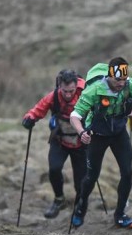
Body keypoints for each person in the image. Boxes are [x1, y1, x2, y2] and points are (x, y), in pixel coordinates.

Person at [70, 57, 132, 229]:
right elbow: (75, 116)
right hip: (97, 135)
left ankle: (120, 214)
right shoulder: (94, 89)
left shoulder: (130, 85)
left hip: (118, 133)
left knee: (128, 173)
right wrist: (81, 133)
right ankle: (81, 206)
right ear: (109, 76)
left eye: (124, 79)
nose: (121, 83)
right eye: (117, 80)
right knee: (91, 176)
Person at [22, 69, 87, 219]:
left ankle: (79, 206)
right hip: (60, 141)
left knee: (80, 182)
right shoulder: (53, 97)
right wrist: (29, 118)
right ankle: (59, 200)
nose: (68, 95)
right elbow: (37, 110)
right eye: (65, 91)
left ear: (76, 86)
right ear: (59, 86)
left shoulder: (85, 95)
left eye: (71, 91)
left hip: (81, 145)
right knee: (54, 169)